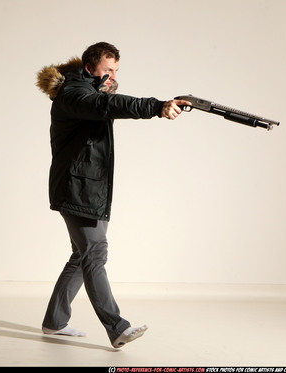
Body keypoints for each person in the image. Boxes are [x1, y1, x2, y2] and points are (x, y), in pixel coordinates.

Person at [36, 42, 191, 348]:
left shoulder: (91, 91)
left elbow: (104, 104)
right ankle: (117, 327)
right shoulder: (73, 94)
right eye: (107, 70)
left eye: (116, 70)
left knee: (83, 255)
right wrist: (156, 107)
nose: (112, 75)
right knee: (94, 253)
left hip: (89, 186)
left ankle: (54, 322)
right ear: (89, 67)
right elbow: (105, 107)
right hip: (75, 186)